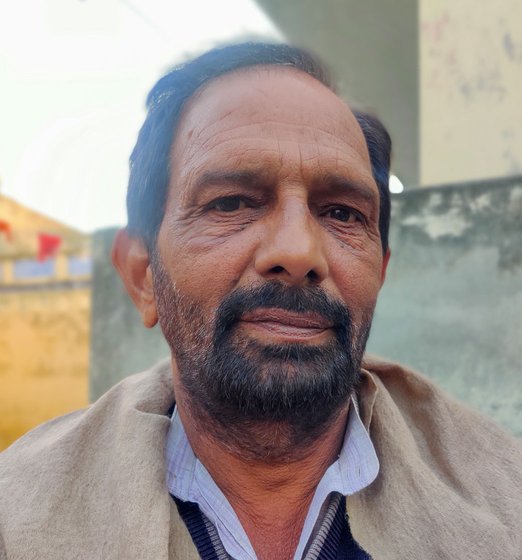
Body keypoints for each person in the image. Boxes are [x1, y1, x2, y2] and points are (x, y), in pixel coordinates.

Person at [0, 42, 521, 560]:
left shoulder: (503, 502)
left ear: (379, 272)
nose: (298, 252)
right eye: (231, 203)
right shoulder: (20, 513)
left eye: (341, 213)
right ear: (143, 276)